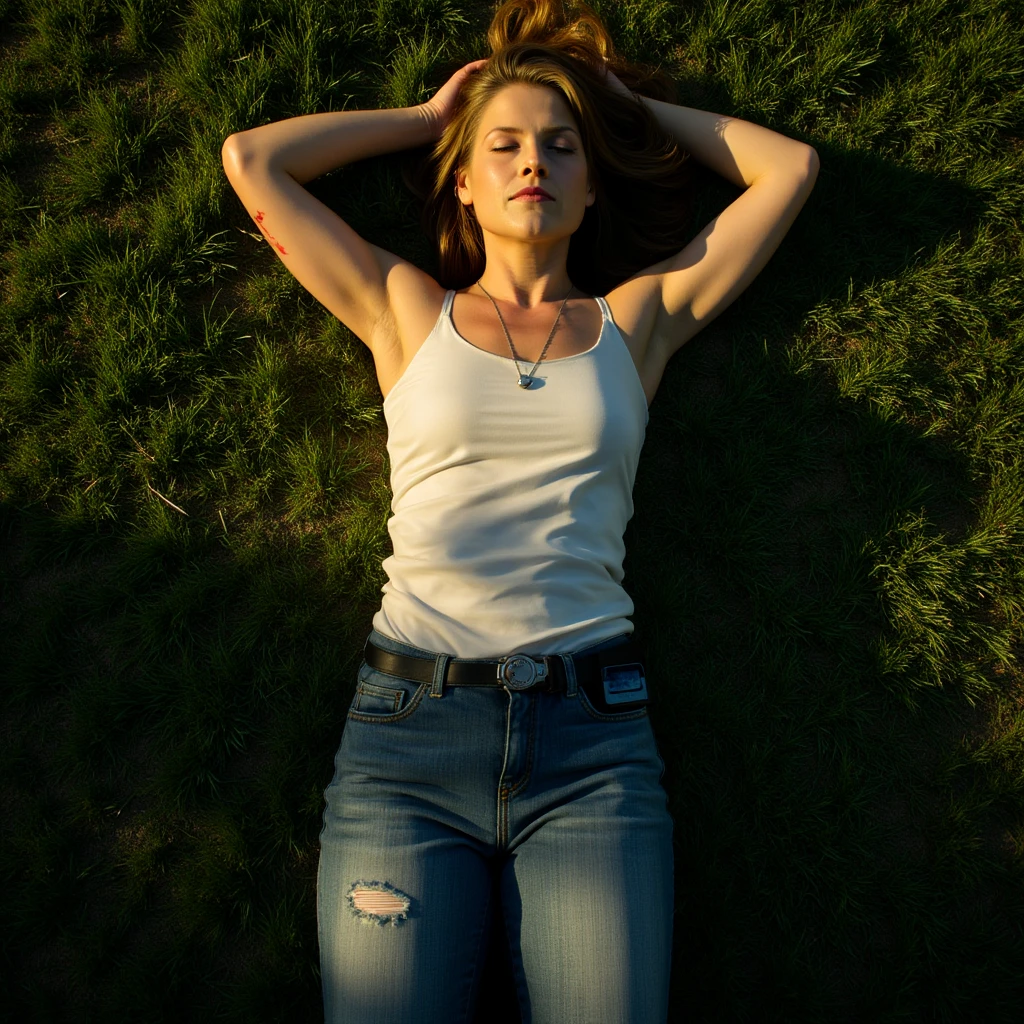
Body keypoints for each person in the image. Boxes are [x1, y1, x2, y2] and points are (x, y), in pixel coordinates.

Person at [221, 1, 818, 1020]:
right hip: (406, 741)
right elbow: (252, 161)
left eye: (559, 147)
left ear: (590, 185)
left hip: (592, 747)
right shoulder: (403, 308)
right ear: (463, 180)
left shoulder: (639, 321)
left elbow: (788, 171)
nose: (531, 161)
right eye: (501, 146)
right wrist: (421, 117)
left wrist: (623, 105)